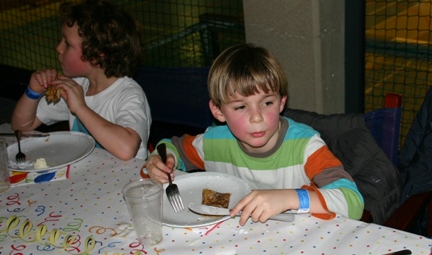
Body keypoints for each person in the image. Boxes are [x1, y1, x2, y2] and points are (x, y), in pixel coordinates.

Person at [144, 43, 364, 225]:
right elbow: (171, 146)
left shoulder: (306, 145)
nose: (256, 117)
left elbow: (353, 202)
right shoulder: (214, 143)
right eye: (241, 107)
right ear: (219, 111)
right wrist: (160, 160)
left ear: (281, 102)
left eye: (267, 102)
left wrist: (289, 197)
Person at [11, 0, 151, 160]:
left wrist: (80, 108)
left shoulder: (129, 95)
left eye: (67, 43)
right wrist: (32, 93)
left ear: (96, 56)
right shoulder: (77, 85)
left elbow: (127, 149)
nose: (58, 48)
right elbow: (21, 128)